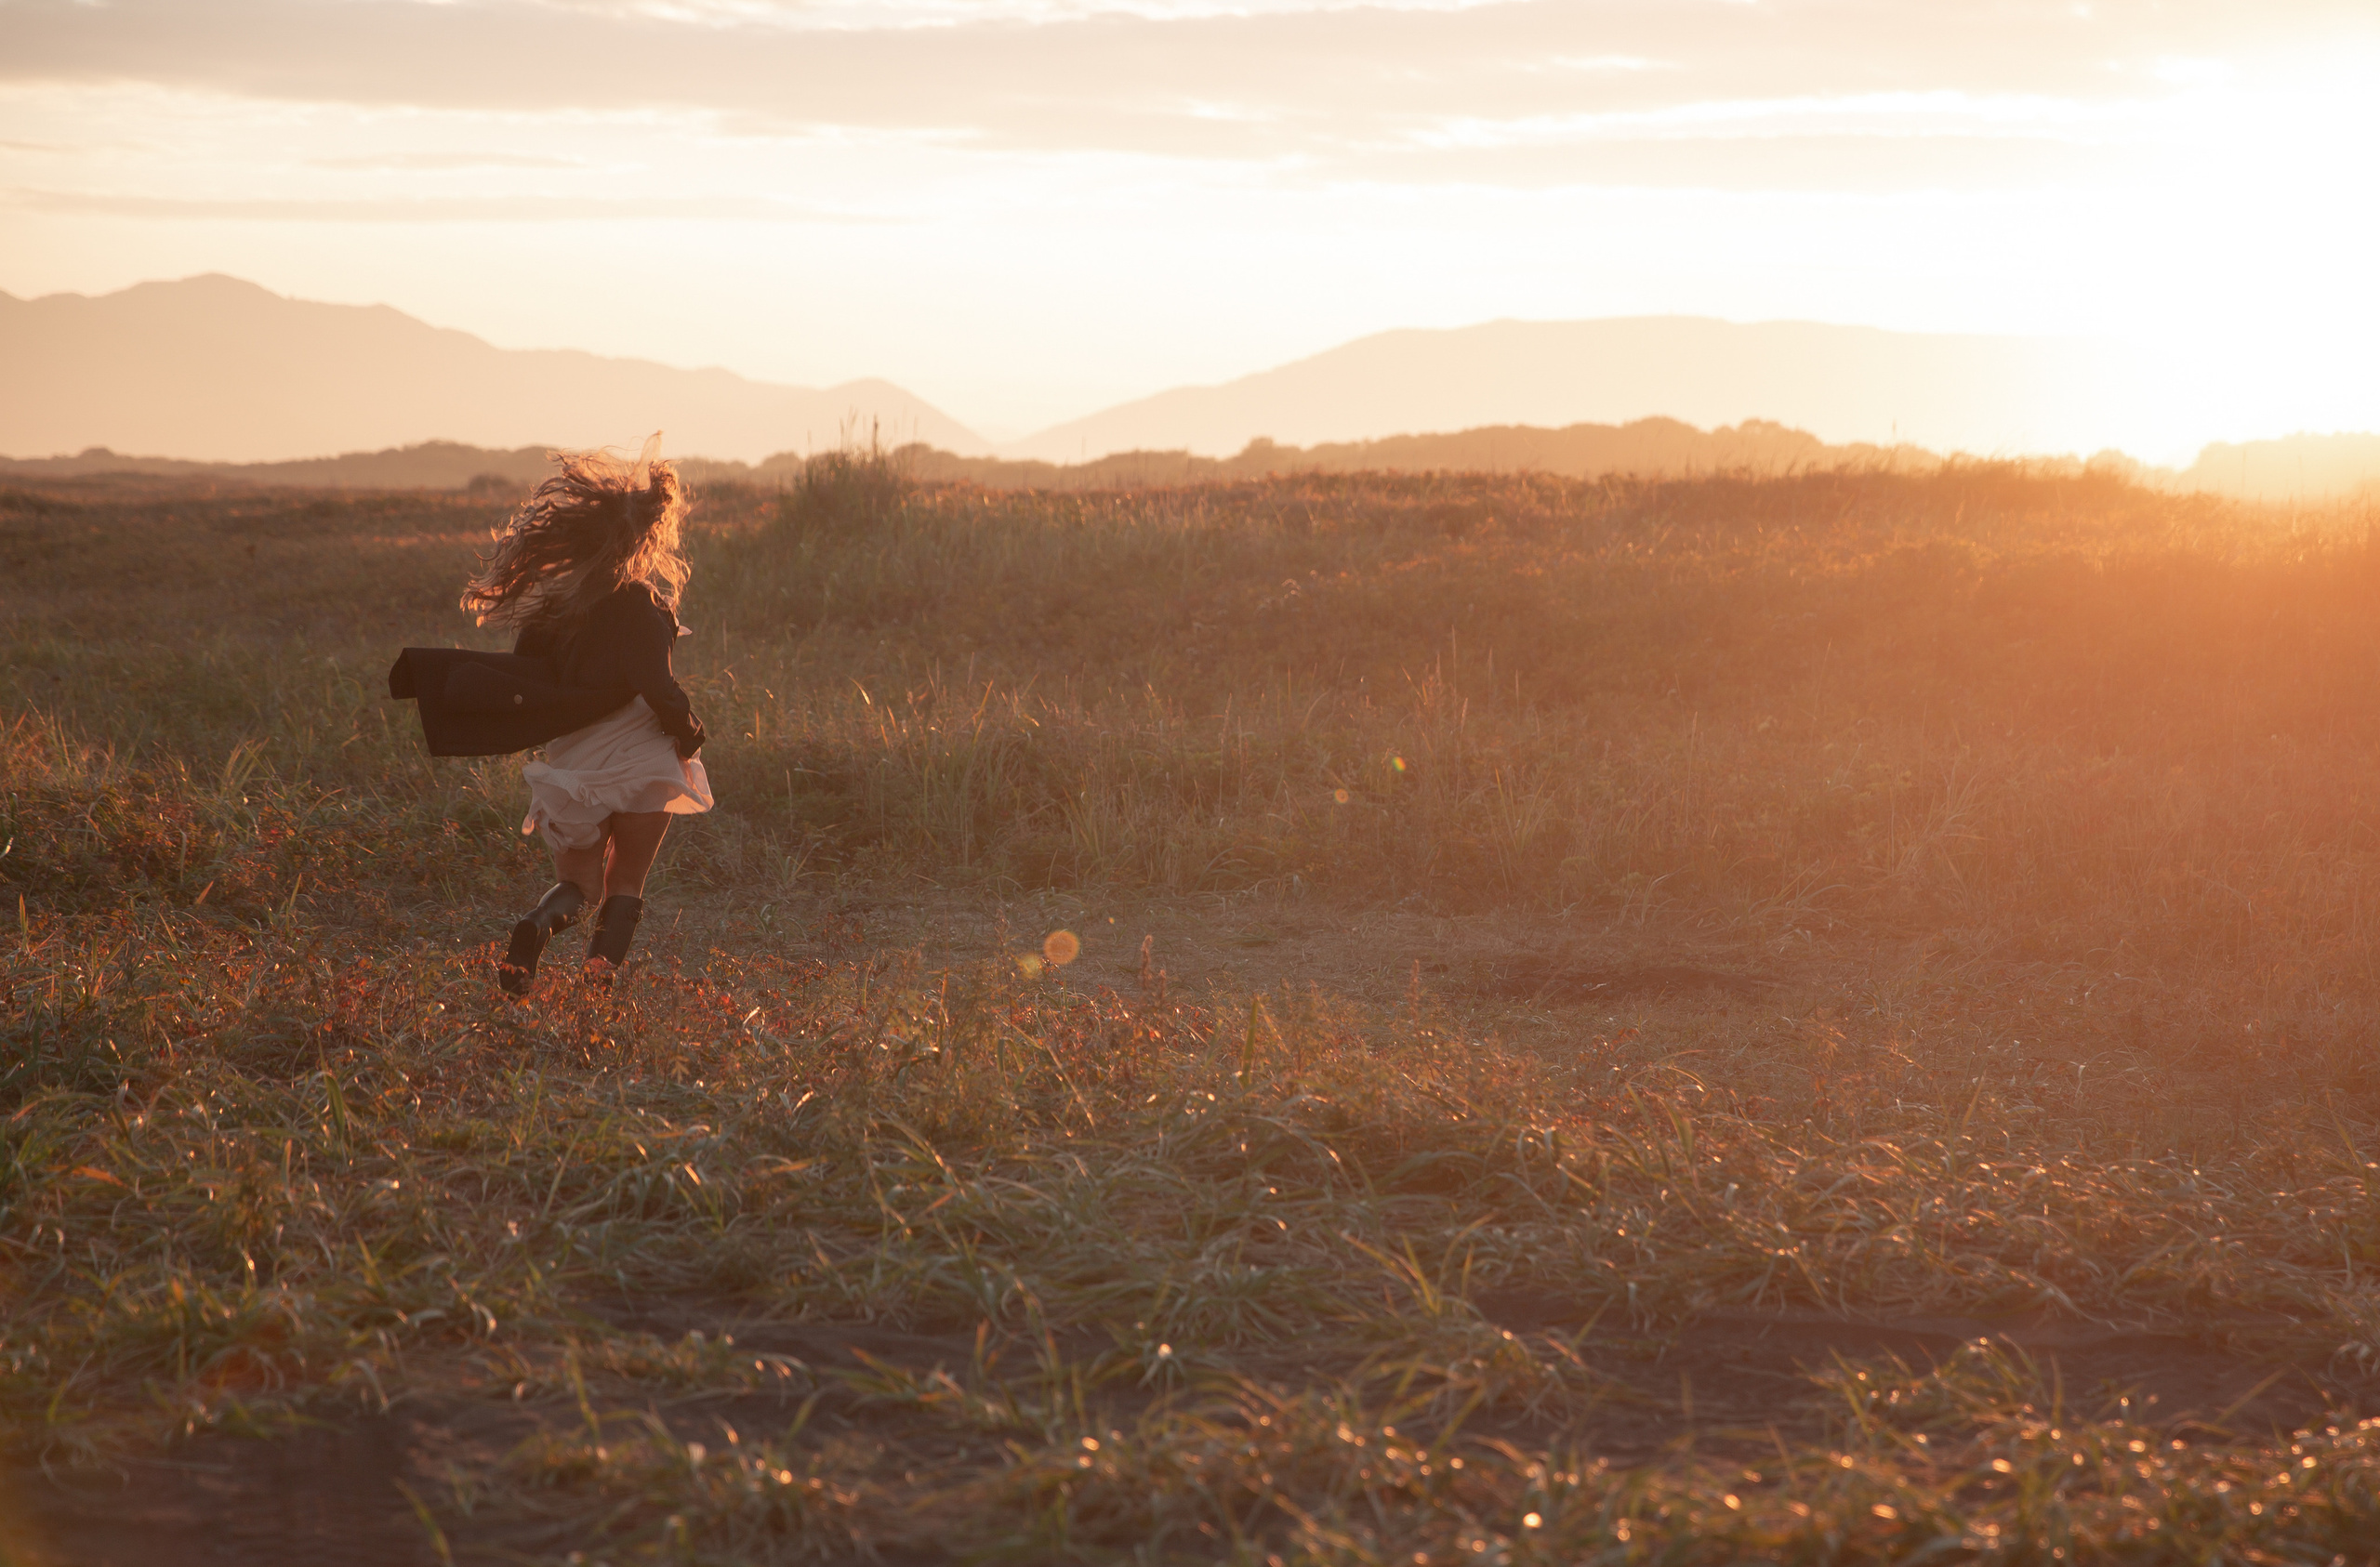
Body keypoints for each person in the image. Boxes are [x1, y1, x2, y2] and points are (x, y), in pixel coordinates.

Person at [450, 435, 712, 993]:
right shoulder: (642, 607)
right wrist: (690, 736)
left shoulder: (552, 612)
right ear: (641, 540)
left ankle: (537, 926)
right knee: (627, 882)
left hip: (574, 767)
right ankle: (596, 987)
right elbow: (659, 687)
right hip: (643, 760)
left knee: (580, 888)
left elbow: (531, 683)